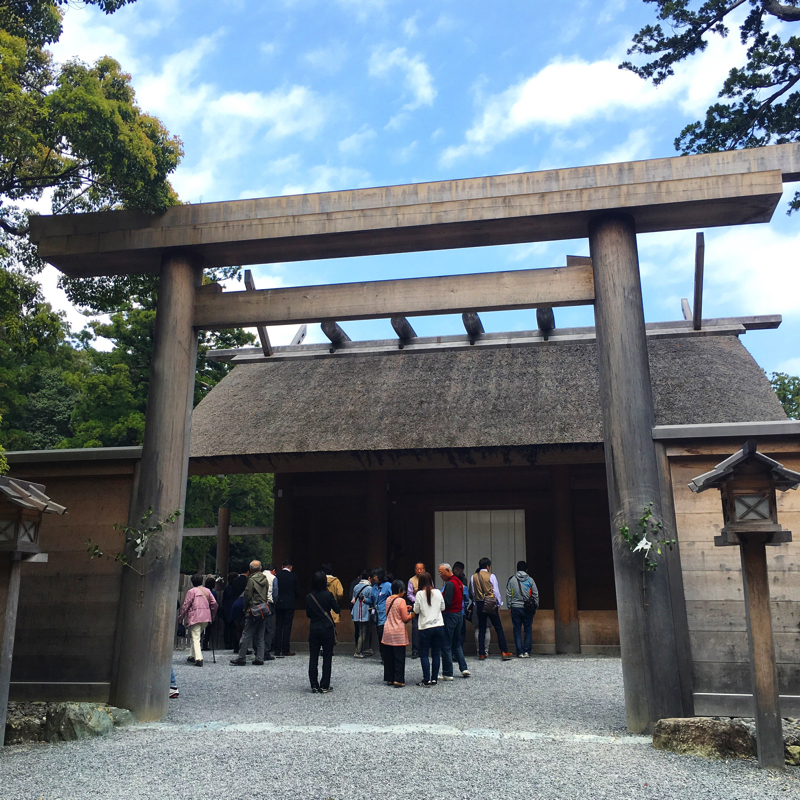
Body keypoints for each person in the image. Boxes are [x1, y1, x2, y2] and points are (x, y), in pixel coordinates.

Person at [470, 558, 513, 661]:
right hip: (490, 603)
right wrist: (499, 603)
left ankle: (481, 653)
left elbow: (473, 591)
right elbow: (496, 591)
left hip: (479, 603)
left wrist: (477, 602)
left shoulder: (473, 577)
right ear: (488, 566)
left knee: (481, 628)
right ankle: (504, 651)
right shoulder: (491, 576)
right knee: (498, 628)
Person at [230, 560, 271, 666]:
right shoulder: (265, 579)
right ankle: (259, 657)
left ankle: (241, 657)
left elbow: (247, 595)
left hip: (253, 609)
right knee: (260, 635)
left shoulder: (251, 580)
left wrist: (246, 606)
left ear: (251, 569)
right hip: (263, 608)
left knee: (246, 634)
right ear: (261, 568)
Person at [306, 570, 340, 693]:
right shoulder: (328, 595)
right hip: (327, 628)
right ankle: (324, 685)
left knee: (313, 656)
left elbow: (308, 614)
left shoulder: (309, 597)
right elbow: (337, 609)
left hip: (314, 627)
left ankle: (314, 684)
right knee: (327, 657)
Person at [438, 563, 470, 679]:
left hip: (450, 615)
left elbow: (447, 602)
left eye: (441, 572)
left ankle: (447, 672)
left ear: (447, 571)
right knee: (456, 643)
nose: (440, 575)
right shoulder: (459, 583)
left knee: (446, 644)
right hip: (459, 615)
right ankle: (464, 668)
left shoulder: (450, 584)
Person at [413, 571, 445, 686]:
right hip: (439, 625)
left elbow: (416, 610)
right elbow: (443, 607)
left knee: (424, 653)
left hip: (425, 627)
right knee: (436, 653)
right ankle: (434, 678)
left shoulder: (420, 594)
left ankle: (426, 679)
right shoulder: (438, 592)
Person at [179, 574, 218, 667]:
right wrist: (213, 615)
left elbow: (186, 606)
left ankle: (199, 658)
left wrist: (181, 617)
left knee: (195, 636)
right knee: (197, 636)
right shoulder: (207, 591)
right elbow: (214, 603)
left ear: (192, 582)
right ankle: (191, 655)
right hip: (206, 617)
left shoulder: (191, 591)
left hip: (195, 616)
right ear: (201, 581)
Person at [381, 579, 412, 687]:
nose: (404, 593)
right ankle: (398, 679)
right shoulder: (401, 601)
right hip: (398, 631)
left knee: (389, 657)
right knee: (399, 657)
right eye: (403, 591)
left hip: (387, 630)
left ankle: (390, 678)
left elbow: (393, 611)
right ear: (400, 590)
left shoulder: (388, 599)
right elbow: (405, 617)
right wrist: (411, 615)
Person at [506, 560, 539, 658]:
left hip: (515, 607)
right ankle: (527, 651)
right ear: (526, 569)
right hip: (527, 608)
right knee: (527, 629)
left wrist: (509, 606)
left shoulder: (512, 580)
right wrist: (535, 606)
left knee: (517, 630)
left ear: (517, 569)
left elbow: (509, 594)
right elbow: (535, 594)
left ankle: (519, 652)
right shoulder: (530, 580)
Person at [274, 558, 300, 657]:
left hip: (279, 603)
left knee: (278, 625)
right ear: (291, 567)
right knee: (287, 626)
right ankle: (285, 649)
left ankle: (277, 649)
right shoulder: (294, 576)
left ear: (282, 566)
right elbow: (297, 591)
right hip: (290, 603)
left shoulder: (277, 576)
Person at [369, 568, 392, 661]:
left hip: (386, 615)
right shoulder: (374, 587)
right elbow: (372, 600)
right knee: (379, 635)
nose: (374, 578)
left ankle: (387, 656)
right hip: (377, 615)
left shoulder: (388, 586)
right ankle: (383, 655)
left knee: (385, 635)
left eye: (375, 575)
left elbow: (392, 598)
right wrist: (365, 600)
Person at [350, 569, 372, 658]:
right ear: (369, 578)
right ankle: (358, 651)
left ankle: (363, 649)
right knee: (363, 632)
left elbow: (353, 598)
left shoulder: (356, 587)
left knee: (360, 631)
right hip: (364, 611)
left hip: (356, 611)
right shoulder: (369, 588)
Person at [406, 562, 425, 658]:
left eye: (421, 569)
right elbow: (409, 594)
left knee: (425, 627)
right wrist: (417, 600)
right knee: (415, 627)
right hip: (415, 605)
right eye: (417, 569)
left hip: (426, 606)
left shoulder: (427, 579)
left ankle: (424, 649)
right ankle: (415, 650)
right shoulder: (411, 580)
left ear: (424, 570)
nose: (419, 571)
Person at [452, 561, 470, 651]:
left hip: (450, 611)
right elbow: (466, 599)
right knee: (461, 632)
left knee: (452, 632)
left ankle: (452, 651)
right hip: (461, 611)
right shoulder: (464, 583)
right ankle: (458, 651)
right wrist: (464, 606)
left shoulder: (449, 582)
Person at [221, 571, 240, 650]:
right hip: (233, 606)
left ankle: (227, 643)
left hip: (226, 607)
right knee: (234, 627)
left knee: (226, 627)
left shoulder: (227, 587)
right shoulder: (235, 587)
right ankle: (233, 642)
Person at [261, 563, 277, 660]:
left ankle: (258, 650)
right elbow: (275, 592)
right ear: (273, 570)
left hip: (257, 604)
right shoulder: (273, 578)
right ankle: (266, 651)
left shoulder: (259, 576)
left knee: (258, 628)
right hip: (268, 604)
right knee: (268, 629)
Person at [201, 576, 220, 651]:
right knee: (208, 629)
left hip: (202, 611)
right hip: (209, 612)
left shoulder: (202, 592)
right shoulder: (213, 593)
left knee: (200, 629)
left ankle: (199, 644)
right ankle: (205, 644)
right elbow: (214, 604)